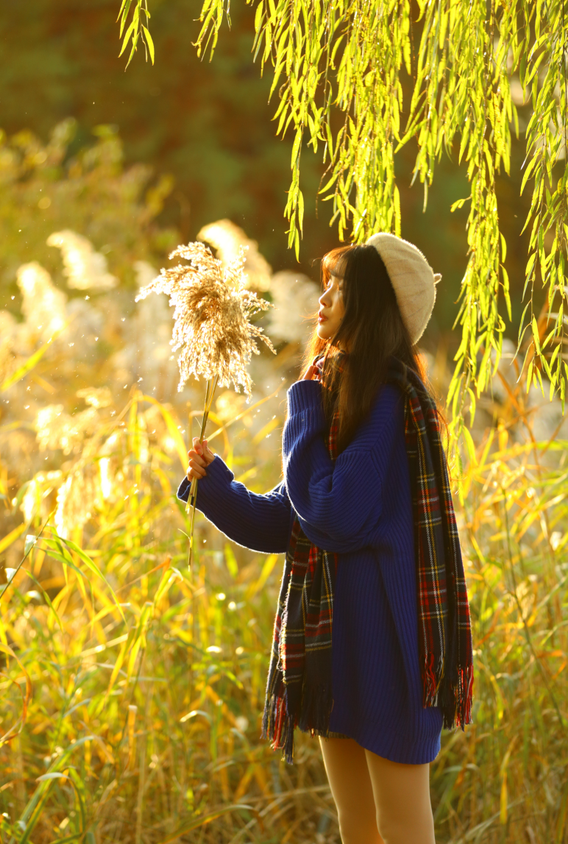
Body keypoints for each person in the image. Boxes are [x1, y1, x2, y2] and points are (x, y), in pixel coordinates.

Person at [177, 235, 474, 844]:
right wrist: (215, 487)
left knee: (402, 825)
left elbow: (333, 516)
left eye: (341, 285)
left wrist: (304, 409)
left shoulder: (389, 400)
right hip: (337, 645)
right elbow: (285, 521)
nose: (325, 297)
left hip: (391, 646)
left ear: (372, 302)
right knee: (357, 826)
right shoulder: (339, 395)